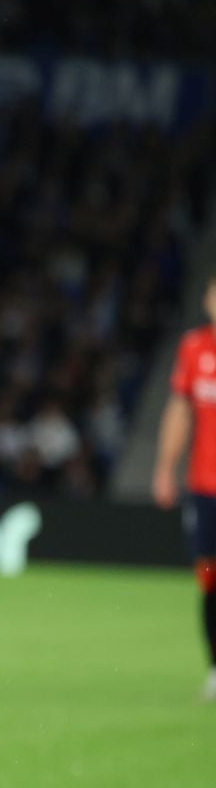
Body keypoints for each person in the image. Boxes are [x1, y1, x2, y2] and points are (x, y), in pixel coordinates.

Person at [153, 275, 216, 700]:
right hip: (206, 487)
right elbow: (180, 411)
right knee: (210, 579)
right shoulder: (195, 348)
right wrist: (164, 468)